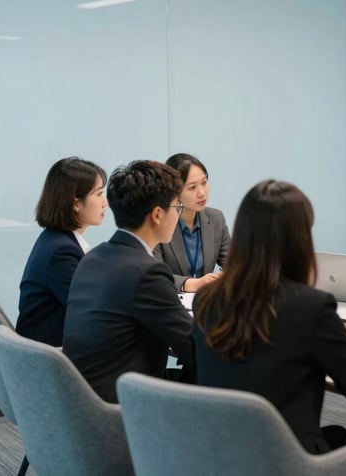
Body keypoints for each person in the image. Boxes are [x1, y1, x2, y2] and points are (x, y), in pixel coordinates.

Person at [191, 179, 346, 455]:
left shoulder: (207, 301)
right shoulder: (310, 307)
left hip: (218, 455)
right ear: (299, 241)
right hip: (284, 459)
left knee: (337, 435)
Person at [62, 160, 194, 403]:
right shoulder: (147, 272)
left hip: (83, 405)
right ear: (157, 214)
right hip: (122, 413)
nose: (178, 214)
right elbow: (193, 349)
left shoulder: (93, 257)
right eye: (177, 206)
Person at [17, 157, 107, 346]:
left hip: (48, 353)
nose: (104, 202)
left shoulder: (56, 240)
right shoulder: (61, 251)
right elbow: (90, 311)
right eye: (98, 194)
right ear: (76, 202)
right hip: (52, 361)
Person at [154, 153, 230, 293]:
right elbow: (154, 275)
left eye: (204, 182)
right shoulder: (158, 223)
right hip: (170, 302)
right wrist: (192, 284)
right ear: (174, 191)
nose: (202, 193)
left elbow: (233, 264)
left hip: (206, 304)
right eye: (192, 187)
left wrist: (227, 276)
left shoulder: (215, 218)